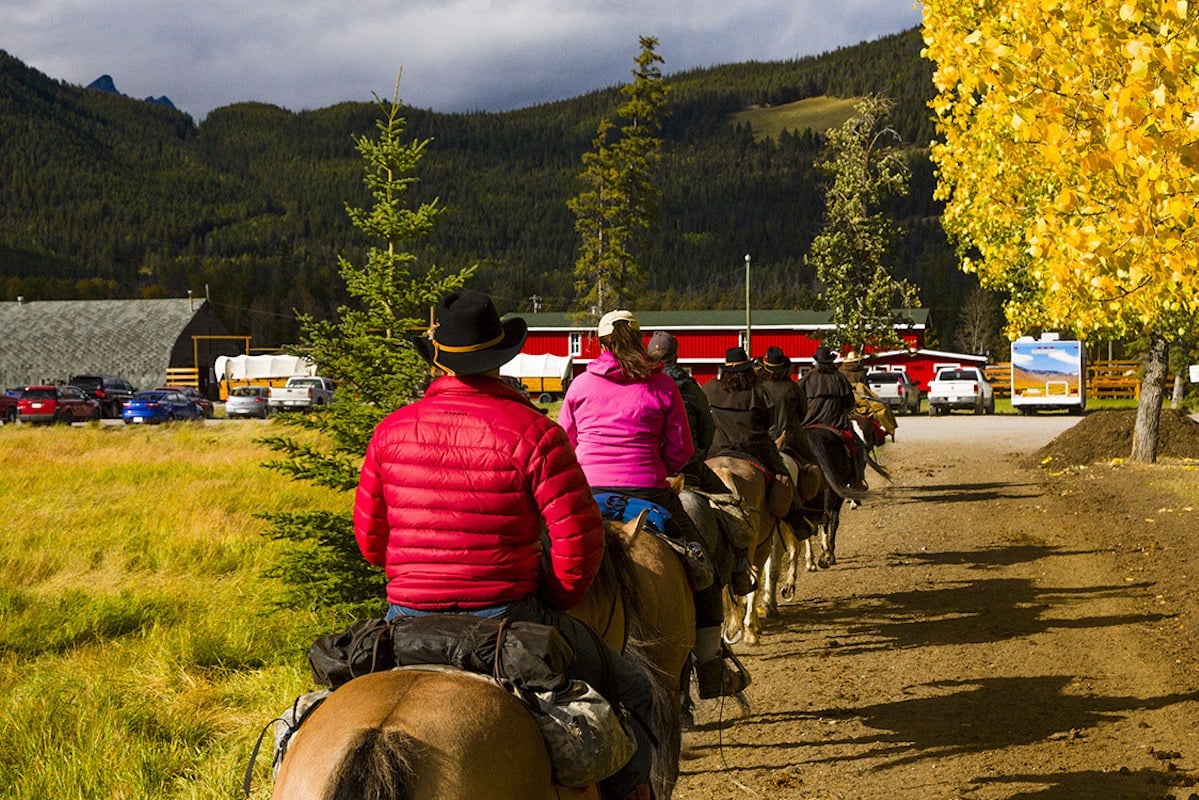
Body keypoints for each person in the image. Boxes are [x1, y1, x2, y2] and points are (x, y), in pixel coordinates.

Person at [353, 290, 654, 800]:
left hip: (404, 618)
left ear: (439, 359)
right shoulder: (535, 434)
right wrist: (556, 600)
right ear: (502, 357)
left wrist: (417, 575)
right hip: (507, 617)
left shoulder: (389, 432)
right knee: (634, 690)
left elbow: (369, 540)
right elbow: (579, 544)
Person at [559, 311, 749, 700]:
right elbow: (682, 451)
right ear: (640, 339)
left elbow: (564, 441)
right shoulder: (662, 384)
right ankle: (711, 666)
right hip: (648, 492)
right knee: (702, 566)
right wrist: (654, 462)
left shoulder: (579, 385)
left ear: (600, 343)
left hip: (589, 494)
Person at [646, 331, 755, 597]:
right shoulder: (691, 387)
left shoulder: (637, 382)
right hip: (686, 466)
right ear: (676, 355)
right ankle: (740, 570)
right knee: (731, 506)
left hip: (642, 468)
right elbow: (707, 432)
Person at [799, 345, 867, 491]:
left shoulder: (808, 377)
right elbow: (849, 403)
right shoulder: (839, 378)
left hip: (809, 423)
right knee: (859, 445)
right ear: (831, 361)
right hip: (835, 424)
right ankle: (858, 480)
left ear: (817, 361)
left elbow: (798, 400)